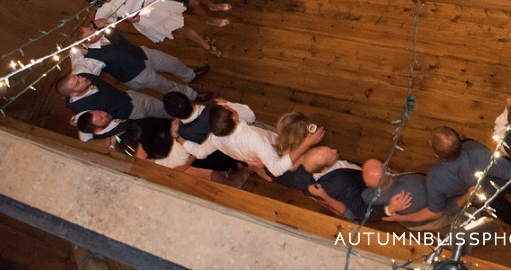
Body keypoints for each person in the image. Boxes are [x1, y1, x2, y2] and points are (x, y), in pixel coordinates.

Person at [425, 126, 511, 227]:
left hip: (484, 198)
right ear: (460, 138)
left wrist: (466, 196)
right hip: (504, 181)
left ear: (436, 155)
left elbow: (443, 209)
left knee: (503, 210)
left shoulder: (434, 179)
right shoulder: (477, 152)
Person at [179, 104, 323, 181]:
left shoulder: (215, 139)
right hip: (274, 148)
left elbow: (199, 152)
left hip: (258, 152)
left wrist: (179, 139)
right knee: (305, 159)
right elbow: (277, 169)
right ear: (234, 117)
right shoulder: (253, 138)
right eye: (228, 109)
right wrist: (306, 144)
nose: (229, 107)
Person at [86, 0, 221, 57]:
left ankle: (203, 41)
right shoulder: (103, 10)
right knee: (178, 29)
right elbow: (105, 25)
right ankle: (204, 44)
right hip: (146, 19)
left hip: (153, 5)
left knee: (181, 26)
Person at [71, 22, 209, 100]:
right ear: (84, 43)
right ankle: (193, 95)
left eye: (90, 29)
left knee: (172, 62)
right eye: (90, 34)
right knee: (167, 86)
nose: (94, 31)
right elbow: (82, 70)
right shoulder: (91, 59)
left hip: (143, 53)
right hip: (137, 75)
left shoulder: (103, 30)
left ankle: (190, 75)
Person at [121, 117, 249, 187]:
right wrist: (192, 157)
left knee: (230, 154)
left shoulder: (171, 137)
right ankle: (240, 163)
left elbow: (179, 160)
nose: (141, 160)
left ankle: (243, 162)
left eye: (141, 156)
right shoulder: (161, 138)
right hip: (202, 152)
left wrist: (194, 155)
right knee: (226, 158)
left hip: (206, 147)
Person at [361, 159, 449, 230]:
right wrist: (397, 217)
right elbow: (436, 213)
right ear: (388, 169)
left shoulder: (368, 198)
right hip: (436, 216)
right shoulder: (408, 194)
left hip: (432, 208)